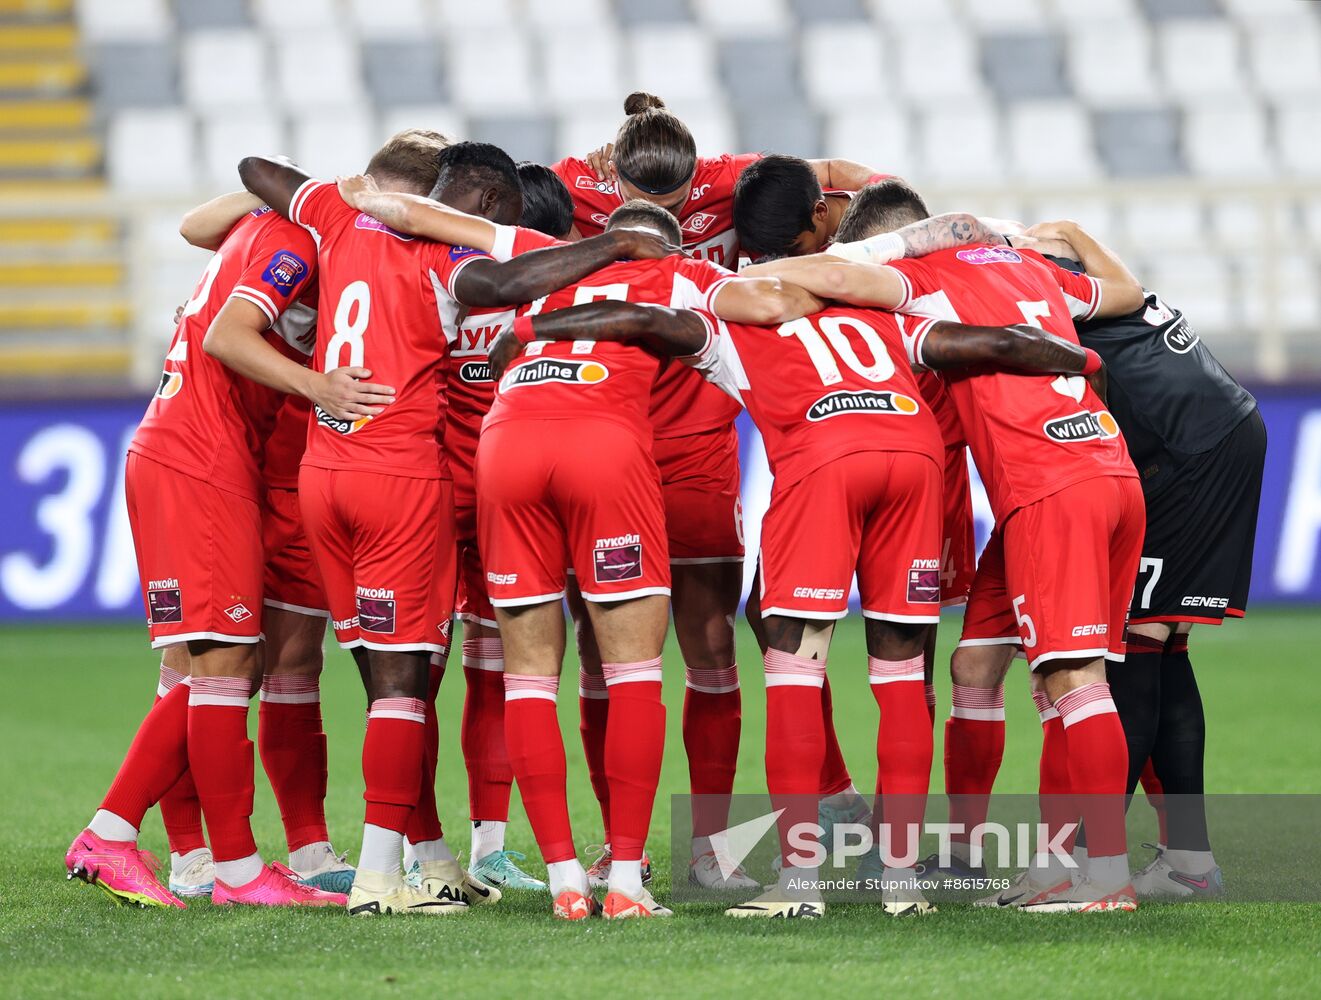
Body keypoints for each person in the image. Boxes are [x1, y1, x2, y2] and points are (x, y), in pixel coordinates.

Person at [487, 271, 1107, 921]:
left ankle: (799, 882)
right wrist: (1085, 358)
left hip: (822, 461)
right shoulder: (885, 320)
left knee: (794, 668)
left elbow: (637, 319)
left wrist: (532, 328)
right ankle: (899, 880)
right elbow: (997, 344)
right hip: (913, 459)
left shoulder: (731, 327)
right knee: (898, 674)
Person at [236, 138, 679, 916]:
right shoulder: (446, 267)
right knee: (425, 680)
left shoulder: (339, 218)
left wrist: (354, 187)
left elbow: (257, 172)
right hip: (407, 478)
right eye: (497, 220)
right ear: (477, 207)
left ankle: (432, 853)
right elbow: (507, 276)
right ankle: (385, 879)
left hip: (325, 473)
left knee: (391, 679)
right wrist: (612, 243)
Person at [746, 181, 1149, 913]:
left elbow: (834, 277)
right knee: (976, 662)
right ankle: (1034, 862)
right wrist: (1065, 236)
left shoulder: (924, 278)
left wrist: (754, 274)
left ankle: (1105, 878)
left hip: (1049, 487)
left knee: (1074, 680)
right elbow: (1125, 295)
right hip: (1105, 468)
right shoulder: (1026, 268)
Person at [63, 199, 375, 910]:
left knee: (215, 664)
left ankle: (219, 864)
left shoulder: (263, 226)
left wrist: (291, 188)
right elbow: (228, 338)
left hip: (193, 453)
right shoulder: (300, 243)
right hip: (202, 462)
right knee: (225, 664)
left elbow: (191, 226)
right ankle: (132, 840)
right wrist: (318, 384)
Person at [1064, 264, 1265, 899]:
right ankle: (1188, 863)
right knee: (1166, 646)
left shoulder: (1053, 315)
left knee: (1132, 644)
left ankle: (1096, 864)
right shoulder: (1107, 283)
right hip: (1229, 431)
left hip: (1188, 454)